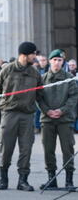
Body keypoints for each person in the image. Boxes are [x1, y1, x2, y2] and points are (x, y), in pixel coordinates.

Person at [0, 42, 44, 192]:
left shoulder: (35, 73)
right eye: (33, 54)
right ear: (24, 55)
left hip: (27, 115)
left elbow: (40, 95)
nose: (35, 56)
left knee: (26, 148)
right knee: (6, 147)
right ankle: (3, 178)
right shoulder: (7, 70)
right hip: (10, 113)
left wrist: (48, 111)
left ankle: (23, 180)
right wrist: (4, 103)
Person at [37, 49, 78, 190]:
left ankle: (69, 180)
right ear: (49, 61)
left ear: (63, 62)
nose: (57, 62)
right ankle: (51, 179)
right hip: (47, 120)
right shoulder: (42, 79)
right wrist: (47, 111)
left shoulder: (69, 78)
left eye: (60, 60)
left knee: (67, 149)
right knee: (48, 149)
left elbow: (74, 97)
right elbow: (39, 98)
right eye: (54, 60)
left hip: (65, 120)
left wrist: (62, 110)